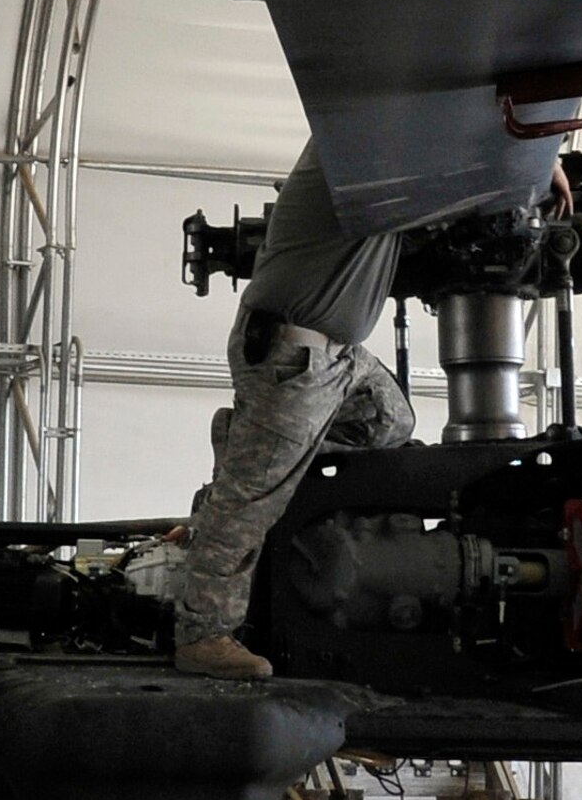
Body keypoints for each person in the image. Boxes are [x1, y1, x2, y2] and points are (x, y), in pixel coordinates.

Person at [173, 137, 416, 679]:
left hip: (340, 358)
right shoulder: (359, 150)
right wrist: (534, 180)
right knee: (249, 504)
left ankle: (257, 451)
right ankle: (202, 634)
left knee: (389, 421)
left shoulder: (388, 149)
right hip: (293, 359)